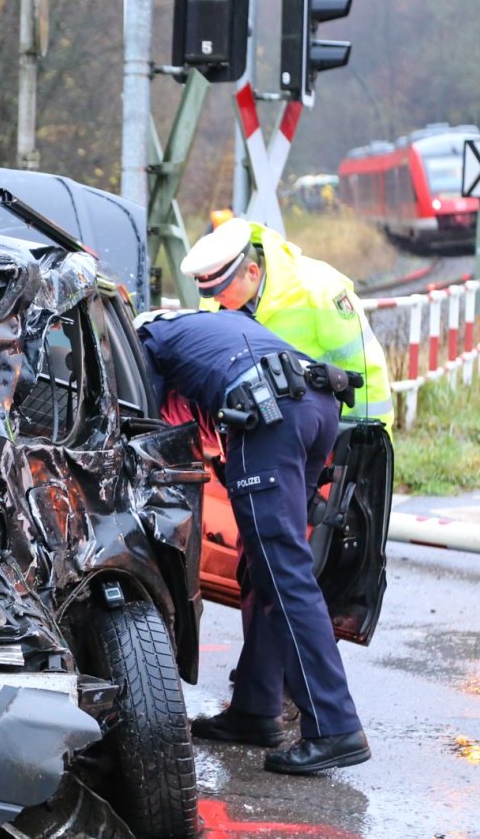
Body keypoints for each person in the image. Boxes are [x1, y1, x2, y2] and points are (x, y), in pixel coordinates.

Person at [137, 308, 371, 775]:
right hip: (318, 405)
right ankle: (256, 708)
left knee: (282, 570)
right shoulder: (209, 329)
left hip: (269, 411)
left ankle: (335, 725)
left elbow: (145, 426)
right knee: (262, 565)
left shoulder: (147, 341)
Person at [182, 217, 394, 435]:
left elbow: (365, 371)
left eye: (223, 290)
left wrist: (367, 443)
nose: (217, 299)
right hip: (253, 431)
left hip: (322, 430)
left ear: (253, 271)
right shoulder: (214, 302)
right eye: (212, 293)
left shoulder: (319, 289)